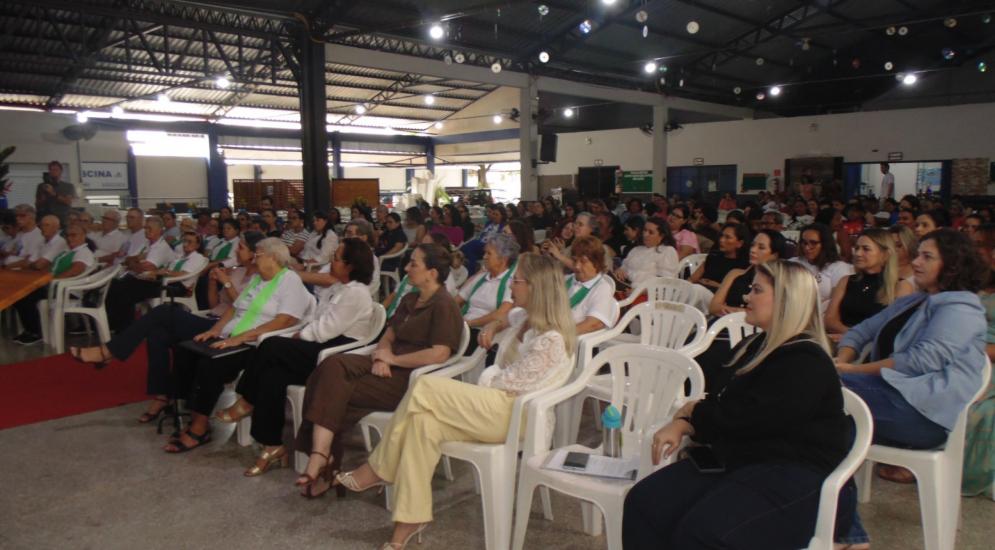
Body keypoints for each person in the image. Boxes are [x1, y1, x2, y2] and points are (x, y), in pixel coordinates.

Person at [337, 253, 576, 548]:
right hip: (497, 406)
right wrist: (493, 326)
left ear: (536, 287)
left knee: (425, 386)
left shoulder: (552, 339)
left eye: (516, 281)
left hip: (518, 415)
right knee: (422, 424)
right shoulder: (525, 319)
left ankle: (378, 469)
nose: (511, 286)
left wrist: (491, 372)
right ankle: (410, 519)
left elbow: (506, 383)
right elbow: (505, 317)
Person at [623, 260, 849, 550]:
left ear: (786, 300)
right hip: (744, 456)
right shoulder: (757, 345)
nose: (746, 296)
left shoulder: (807, 361)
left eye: (757, 290)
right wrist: (685, 421)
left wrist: (693, 412)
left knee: (702, 532)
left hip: (795, 471)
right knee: (645, 502)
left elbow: (748, 419)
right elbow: (724, 403)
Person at [835, 229, 987, 544]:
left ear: (953, 264)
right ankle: (844, 529)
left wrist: (852, 370)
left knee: (820, 394)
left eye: (927, 257)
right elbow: (862, 330)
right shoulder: (917, 301)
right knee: (828, 421)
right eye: (918, 254)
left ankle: (842, 529)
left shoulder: (962, 308)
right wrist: (842, 360)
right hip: (893, 397)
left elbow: (919, 361)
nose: (915, 262)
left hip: (924, 414)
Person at [293, 243, 463, 497]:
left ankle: (322, 459)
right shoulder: (410, 299)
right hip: (387, 366)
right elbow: (388, 335)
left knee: (331, 389)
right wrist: (383, 356)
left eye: (413, 264)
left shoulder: (444, 305)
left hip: (410, 378)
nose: (407, 268)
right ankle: (322, 457)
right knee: (331, 365)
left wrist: (393, 360)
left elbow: (440, 353)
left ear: (432, 273)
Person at [213, 239, 376, 476]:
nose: (331, 262)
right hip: (320, 344)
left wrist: (299, 335)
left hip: (335, 354)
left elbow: (325, 330)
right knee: (273, 376)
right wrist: (299, 334)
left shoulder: (356, 294)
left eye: (336, 258)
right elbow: (316, 320)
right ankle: (272, 445)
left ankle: (246, 401)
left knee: (270, 345)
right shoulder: (338, 288)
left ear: (350, 265)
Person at [825, 228, 912, 341]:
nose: (858, 253)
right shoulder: (846, 281)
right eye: (857, 248)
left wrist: (854, 337)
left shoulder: (901, 286)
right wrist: (851, 336)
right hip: (840, 339)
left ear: (885, 254)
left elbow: (894, 329)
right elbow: (830, 320)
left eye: (866, 249)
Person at [11, 221, 89, 345]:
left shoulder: (83, 252)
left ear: (83, 235)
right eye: (67, 235)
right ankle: (30, 330)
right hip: (56, 286)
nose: (70, 238)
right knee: (20, 294)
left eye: (74, 235)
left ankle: (35, 332)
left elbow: (74, 271)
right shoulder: (68, 251)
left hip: (67, 290)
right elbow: (52, 268)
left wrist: (51, 281)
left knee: (24, 296)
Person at [964, 224, 995, 497]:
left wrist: (974, 350)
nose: (974, 252)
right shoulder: (971, 284)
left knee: (978, 407)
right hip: (967, 352)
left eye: (979, 246)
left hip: (986, 357)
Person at [104, 216, 176, 331]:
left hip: (156, 282)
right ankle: (114, 323)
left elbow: (144, 268)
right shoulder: (147, 244)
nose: (146, 231)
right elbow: (127, 260)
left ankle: (125, 327)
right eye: (145, 228)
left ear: (160, 230)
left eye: (149, 228)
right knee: (113, 285)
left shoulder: (161, 247)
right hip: (141, 279)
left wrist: (134, 262)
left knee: (123, 289)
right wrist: (136, 260)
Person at [456, 232, 519, 350]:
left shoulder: (511, 283)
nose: (484, 257)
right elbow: (456, 301)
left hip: (481, 333)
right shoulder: (481, 278)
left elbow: (500, 314)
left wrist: (469, 323)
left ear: (503, 259)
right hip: (463, 327)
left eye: (489, 253)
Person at [710, 229, 787, 317]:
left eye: (761, 248)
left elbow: (773, 314)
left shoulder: (778, 281)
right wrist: (740, 311)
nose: (753, 250)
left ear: (775, 255)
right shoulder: (735, 274)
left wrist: (735, 311)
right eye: (752, 245)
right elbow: (713, 307)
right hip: (723, 322)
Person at [791, 223, 854, 313]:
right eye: (804, 243)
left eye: (813, 243)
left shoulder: (839, 267)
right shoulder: (793, 263)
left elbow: (836, 304)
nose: (807, 247)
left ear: (825, 244)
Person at [205, 232, 264, 317]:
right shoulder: (237, 271)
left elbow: (242, 309)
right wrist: (212, 282)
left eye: (240, 247)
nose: (236, 251)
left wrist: (227, 282)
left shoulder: (261, 278)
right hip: (215, 316)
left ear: (254, 253)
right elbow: (215, 306)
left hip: (234, 322)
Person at [615, 215, 679, 287]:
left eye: (651, 232)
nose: (645, 234)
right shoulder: (637, 249)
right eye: (645, 230)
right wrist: (619, 271)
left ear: (661, 236)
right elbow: (624, 266)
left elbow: (666, 282)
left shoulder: (667, 251)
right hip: (625, 286)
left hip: (648, 292)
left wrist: (640, 290)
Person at [690, 222, 750, 291]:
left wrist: (717, 285)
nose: (721, 240)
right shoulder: (713, 257)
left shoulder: (744, 266)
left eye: (728, 237)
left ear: (740, 243)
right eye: (721, 236)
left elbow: (739, 291)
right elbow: (691, 280)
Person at [888, 224, 919, 291]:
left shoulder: (918, 269)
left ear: (909, 245)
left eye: (898, 245)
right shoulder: (882, 267)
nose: (893, 249)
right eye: (890, 245)